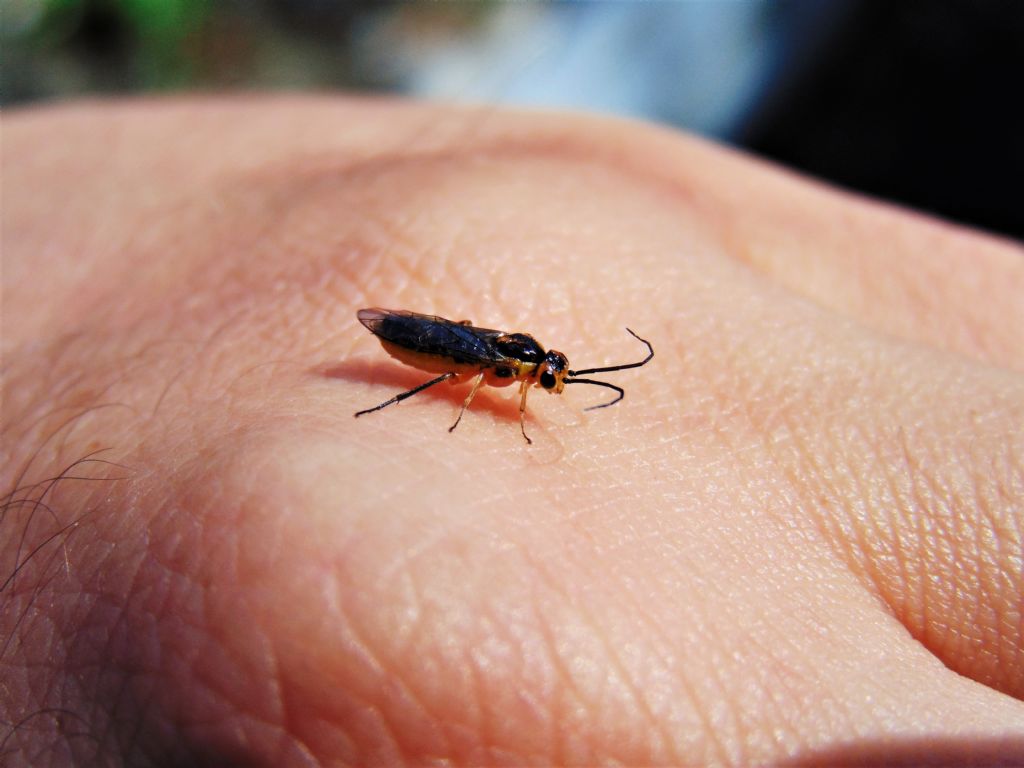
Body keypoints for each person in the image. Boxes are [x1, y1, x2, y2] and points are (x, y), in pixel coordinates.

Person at [2, 97, 1021, 766]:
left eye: (547, 377)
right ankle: (385, 397)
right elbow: (477, 363)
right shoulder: (503, 368)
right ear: (532, 369)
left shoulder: (523, 362)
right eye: (550, 376)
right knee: (434, 384)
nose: (550, 382)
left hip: (416, 333)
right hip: (414, 346)